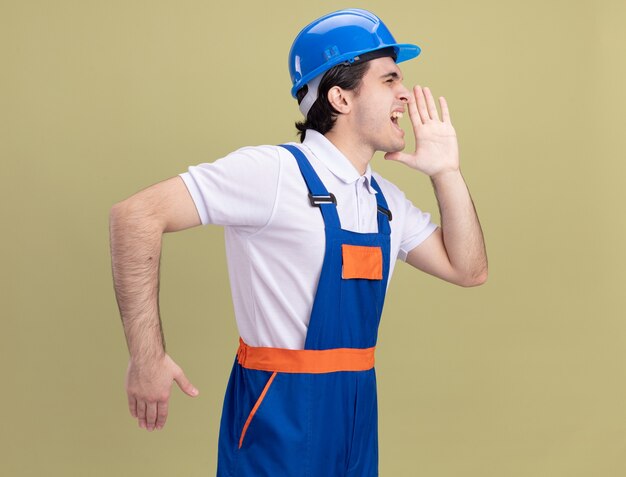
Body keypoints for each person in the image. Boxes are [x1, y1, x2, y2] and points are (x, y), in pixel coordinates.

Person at [109, 8, 487, 476]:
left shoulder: (384, 201)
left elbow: (469, 270)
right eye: (389, 79)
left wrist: (446, 172)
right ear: (340, 98)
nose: (406, 95)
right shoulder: (271, 174)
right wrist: (147, 359)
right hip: (277, 413)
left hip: (355, 413)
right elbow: (135, 216)